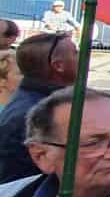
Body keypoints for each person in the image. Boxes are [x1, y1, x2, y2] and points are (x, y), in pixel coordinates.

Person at [0, 32, 79, 182]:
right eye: (75, 53)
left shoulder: (49, 101)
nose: (83, 57)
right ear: (58, 66)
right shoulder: (36, 114)